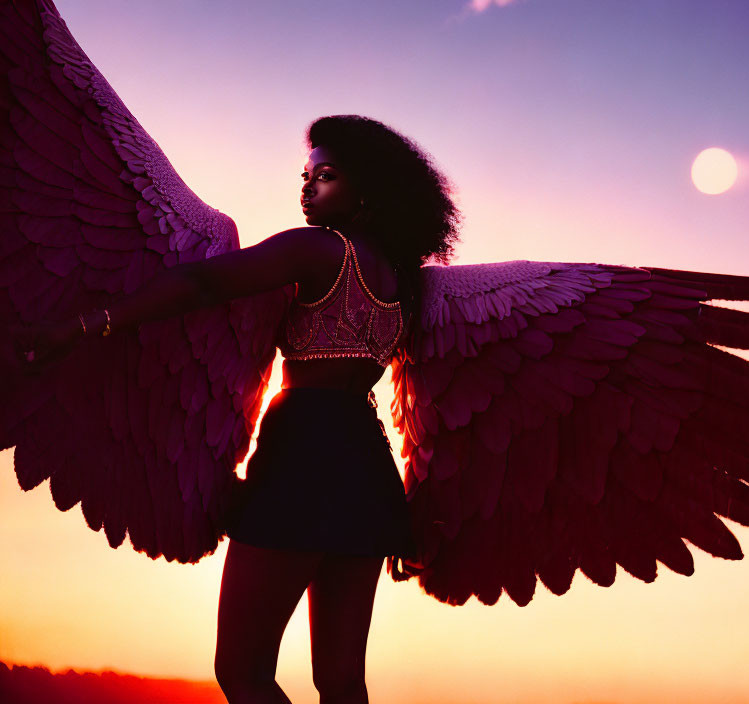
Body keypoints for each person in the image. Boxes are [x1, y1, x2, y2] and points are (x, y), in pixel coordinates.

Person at [14, 114, 461, 704]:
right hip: (369, 467)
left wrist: (88, 323)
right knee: (342, 682)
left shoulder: (318, 250)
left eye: (324, 176)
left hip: (304, 453)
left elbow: (205, 284)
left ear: (367, 192)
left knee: (243, 671)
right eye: (304, 177)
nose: (307, 188)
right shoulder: (409, 283)